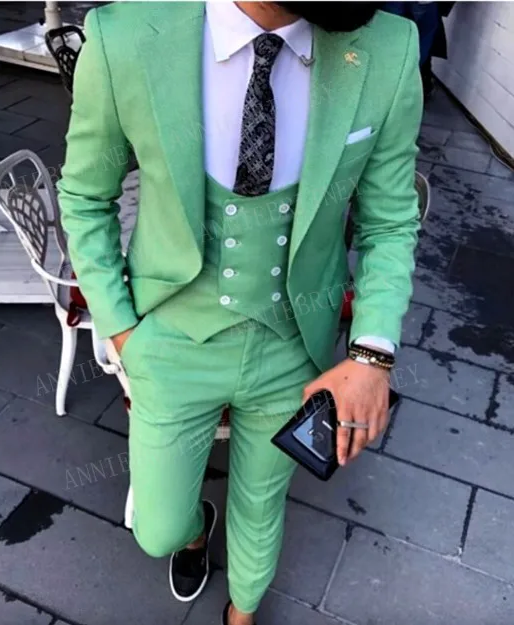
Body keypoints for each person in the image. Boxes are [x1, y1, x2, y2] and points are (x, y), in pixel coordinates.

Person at [58, 2, 422, 624]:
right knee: (157, 529)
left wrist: (371, 353)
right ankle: (195, 530)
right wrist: (122, 331)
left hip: (295, 342)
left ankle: (243, 612)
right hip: (170, 338)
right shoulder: (123, 35)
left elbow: (389, 221)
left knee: (263, 500)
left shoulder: (389, 46)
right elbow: (86, 196)